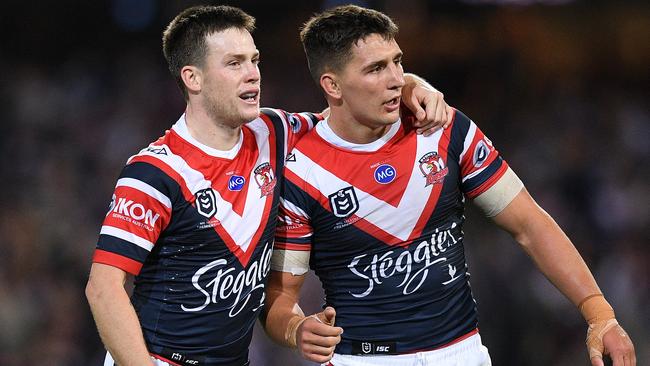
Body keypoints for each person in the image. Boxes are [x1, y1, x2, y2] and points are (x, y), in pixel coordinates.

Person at [263, 5, 637, 366]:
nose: (396, 78)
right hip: (360, 359)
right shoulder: (300, 170)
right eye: (376, 69)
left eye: (398, 62)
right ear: (332, 84)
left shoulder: (443, 128)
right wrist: (296, 327)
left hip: (461, 353)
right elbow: (280, 296)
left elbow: (530, 224)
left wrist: (598, 312)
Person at [84, 5, 452, 366]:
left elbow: (347, 112)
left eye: (254, 60)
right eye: (234, 63)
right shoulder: (154, 171)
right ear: (192, 78)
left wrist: (412, 86)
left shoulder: (273, 132)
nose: (253, 74)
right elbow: (104, 289)